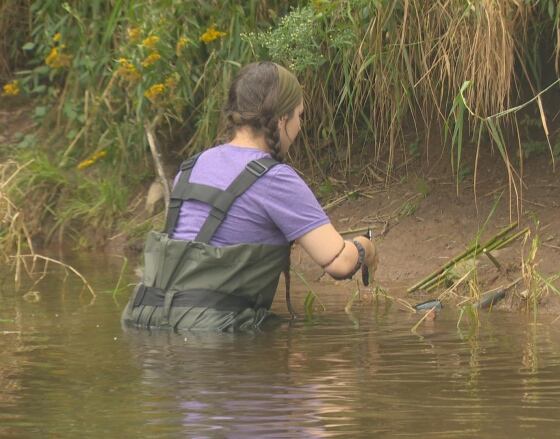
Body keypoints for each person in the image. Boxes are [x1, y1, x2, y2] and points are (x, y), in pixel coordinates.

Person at [122, 61, 378, 331]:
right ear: (282, 120)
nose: (301, 126)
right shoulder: (275, 178)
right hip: (207, 332)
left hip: (144, 319)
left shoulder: (192, 166)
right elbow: (340, 263)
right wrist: (368, 247)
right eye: (299, 115)